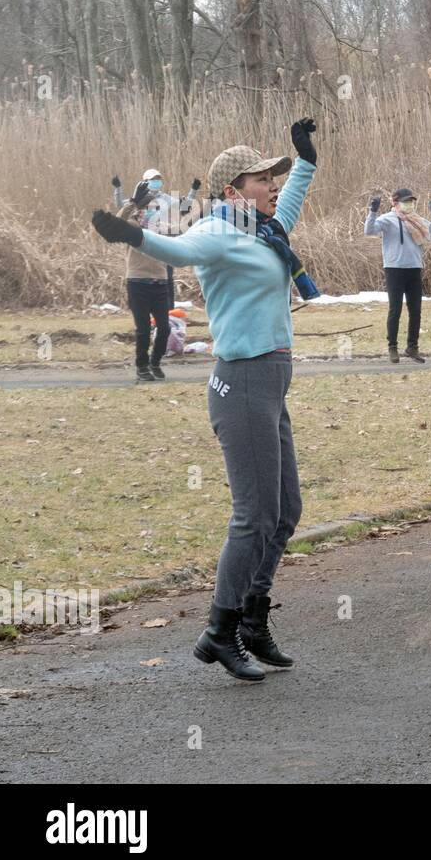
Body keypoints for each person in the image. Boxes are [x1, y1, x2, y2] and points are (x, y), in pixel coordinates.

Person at [90, 117, 321, 681]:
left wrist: (306, 159)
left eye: (273, 176)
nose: (272, 183)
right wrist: (132, 236)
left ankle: (252, 619)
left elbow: (293, 196)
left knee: (286, 511)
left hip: (271, 383)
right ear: (231, 191)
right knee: (254, 517)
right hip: (240, 384)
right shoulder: (219, 232)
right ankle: (218, 633)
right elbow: (178, 246)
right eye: (261, 176)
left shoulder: (269, 230)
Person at [115, 171, 201, 380]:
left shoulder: (161, 227)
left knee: (164, 329)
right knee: (143, 330)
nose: (148, 211)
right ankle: (142, 366)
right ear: (139, 208)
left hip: (160, 283)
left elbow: (183, 228)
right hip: (137, 282)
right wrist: (131, 201)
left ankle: (155, 362)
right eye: (144, 207)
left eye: (151, 207)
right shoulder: (131, 226)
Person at [365, 187, 431, 362]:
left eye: (411, 201)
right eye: (406, 201)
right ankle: (392, 347)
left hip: (414, 268)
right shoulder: (387, 220)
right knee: (395, 309)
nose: (409, 204)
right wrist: (373, 211)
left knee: (416, 311)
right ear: (395, 202)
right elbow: (369, 231)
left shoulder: (417, 220)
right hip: (394, 269)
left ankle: (412, 347)